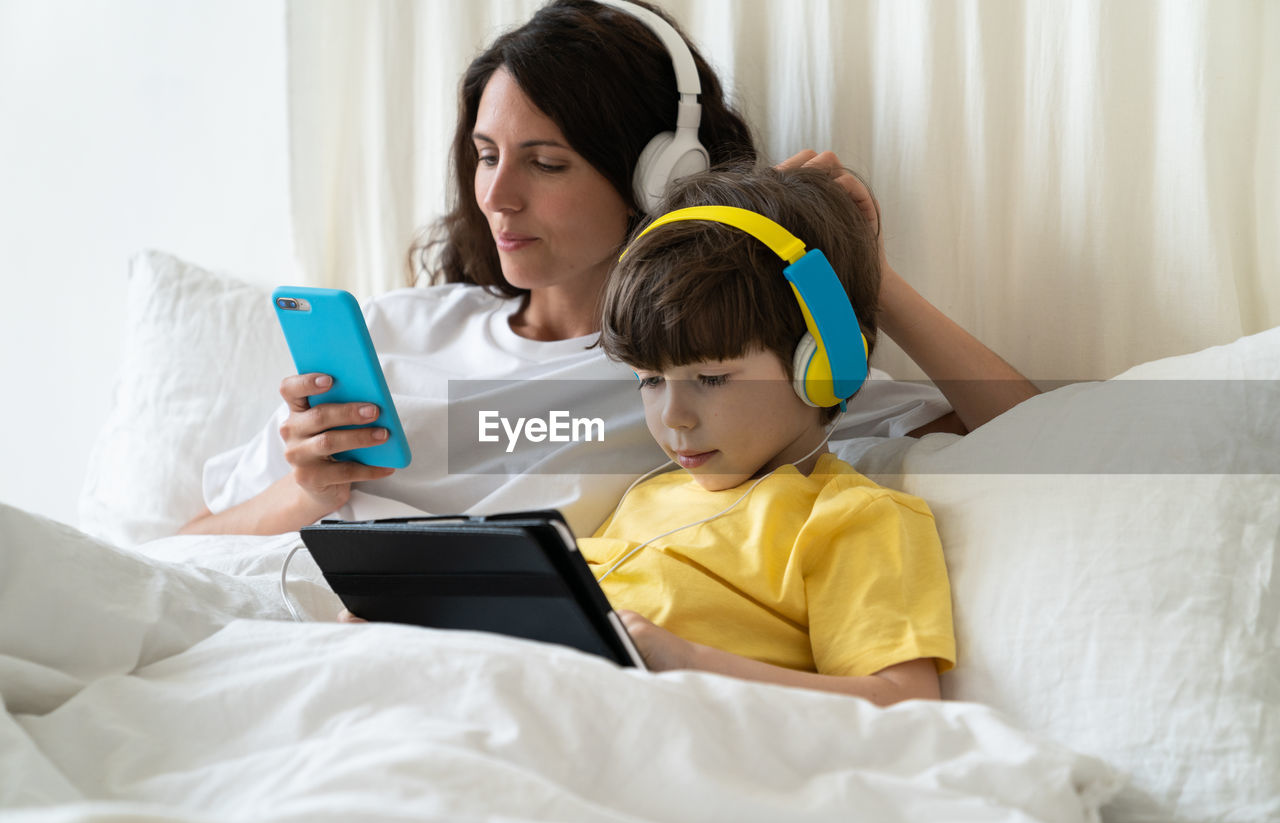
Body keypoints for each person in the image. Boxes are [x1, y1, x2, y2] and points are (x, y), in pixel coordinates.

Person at [182, 0, 1036, 539]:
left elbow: (1028, 435)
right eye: (485, 156)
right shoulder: (395, 328)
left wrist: (861, 268)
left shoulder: (714, 370)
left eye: (546, 164)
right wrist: (306, 495)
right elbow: (184, 542)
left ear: (655, 176)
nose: (498, 197)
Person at [579, 163, 954, 703]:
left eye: (710, 378)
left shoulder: (850, 518)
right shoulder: (646, 495)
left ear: (825, 365)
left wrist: (688, 663)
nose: (674, 417)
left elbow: (904, 700)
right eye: (651, 380)